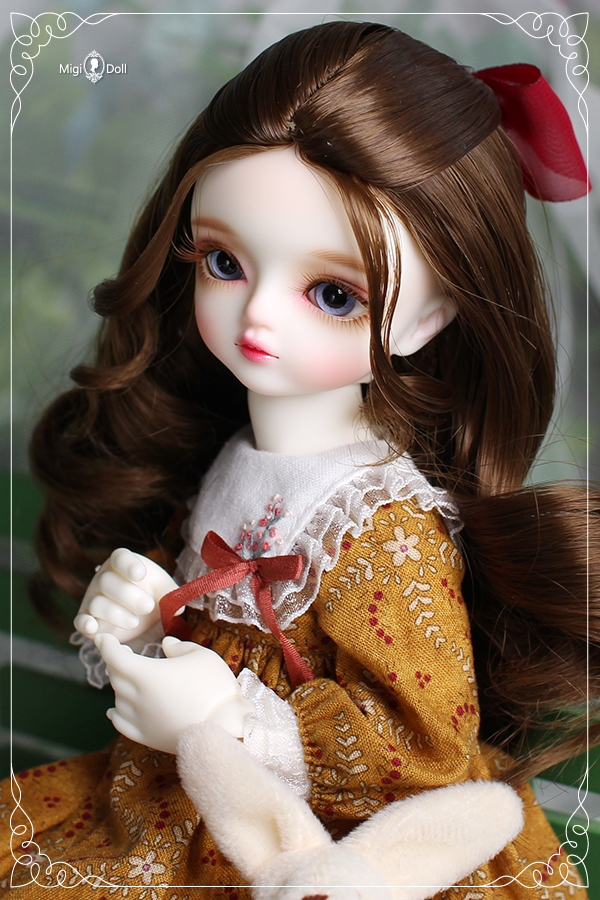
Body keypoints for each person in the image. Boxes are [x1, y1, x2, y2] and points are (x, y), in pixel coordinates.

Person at [1, 20, 596, 898]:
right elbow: (216, 632)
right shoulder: (232, 453)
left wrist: (225, 719)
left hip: (330, 846)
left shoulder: (382, 529)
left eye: (333, 294)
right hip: (181, 799)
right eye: (224, 260)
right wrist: (147, 620)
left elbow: (425, 754)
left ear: (431, 318)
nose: (258, 318)